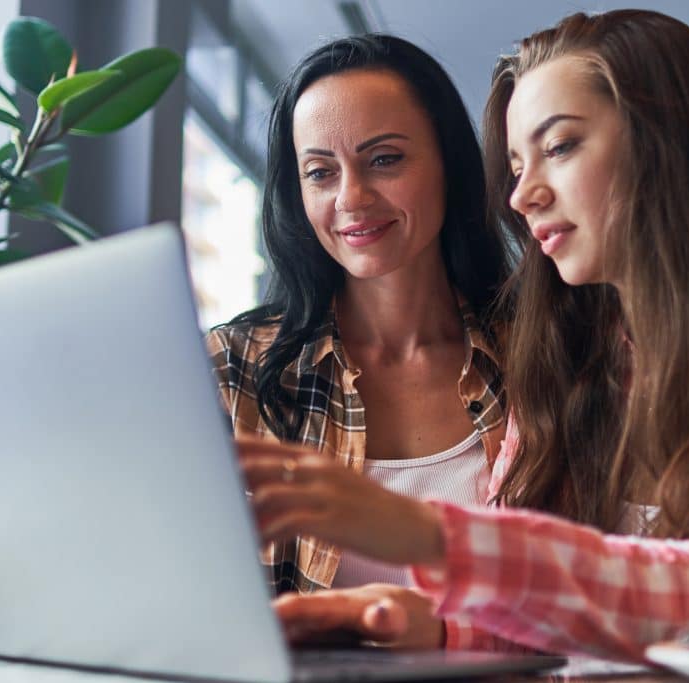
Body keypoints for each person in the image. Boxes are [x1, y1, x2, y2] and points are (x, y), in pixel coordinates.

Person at [239, 9, 689, 658]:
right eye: (518, 166)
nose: (522, 196)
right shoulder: (562, 354)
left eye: (558, 146)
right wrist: (411, 619)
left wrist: (425, 534)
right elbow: (543, 610)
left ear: (666, 143)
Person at [206, 34, 513, 598]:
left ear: (449, 162)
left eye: (384, 159)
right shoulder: (229, 370)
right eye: (320, 172)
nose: (351, 197)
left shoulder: (542, 354)